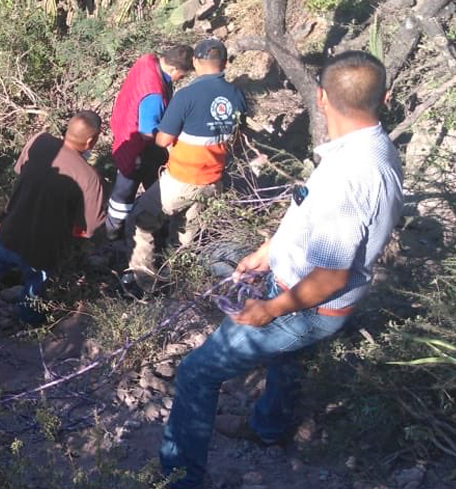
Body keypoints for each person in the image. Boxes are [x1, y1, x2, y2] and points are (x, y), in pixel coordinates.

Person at [158, 52, 403, 489]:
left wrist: (270, 308)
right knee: (288, 359)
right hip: (304, 292)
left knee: (197, 372)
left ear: (322, 97)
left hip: (306, 304)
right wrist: (270, 250)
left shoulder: (350, 174)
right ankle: (269, 428)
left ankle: (180, 479)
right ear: (383, 98)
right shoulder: (373, 148)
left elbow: (331, 275)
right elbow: (316, 218)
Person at [0, 112, 107, 331]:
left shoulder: (39, 141)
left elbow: (20, 169)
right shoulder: (89, 178)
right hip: (41, 250)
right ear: (91, 141)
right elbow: (89, 228)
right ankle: (29, 322)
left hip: (6, 231)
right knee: (36, 282)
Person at [123, 39, 247, 293]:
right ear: (224, 64)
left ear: (195, 62)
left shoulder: (186, 96)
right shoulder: (237, 95)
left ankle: (144, 283)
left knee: (139, 221)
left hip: (182, 178)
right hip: (214, 180)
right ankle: (179, 281)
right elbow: (236, 136)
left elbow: (162, 139)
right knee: (185, 234)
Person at [105, 45, 194, 240]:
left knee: (127, 187)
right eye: (182, 75)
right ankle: (115, 231)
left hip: (124, 129)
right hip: (137, 148)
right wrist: (170, 142)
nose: (180, 79)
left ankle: (118, 227)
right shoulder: (154, 94)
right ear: (173, 70)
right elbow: (147, 132)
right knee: (126, 190)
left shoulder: (147, 61)